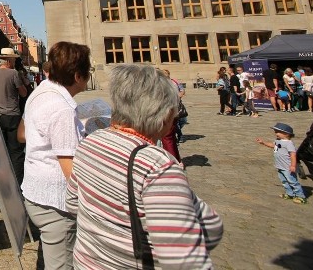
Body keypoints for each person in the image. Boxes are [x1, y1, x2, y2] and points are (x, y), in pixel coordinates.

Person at [67, 64, 223, 268]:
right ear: (165, 115)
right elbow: (189, 255)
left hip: (87, 262)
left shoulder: (91, 142)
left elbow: (72, 203)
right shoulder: (157, 166)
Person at [17, 41, 89, 270]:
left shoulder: (40, 93)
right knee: (62, 265)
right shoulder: (62, 108)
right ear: (79, 76)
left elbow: (23, 134)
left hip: (35, 191)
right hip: (55, 202)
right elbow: (70, 168)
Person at [0, 47, 28, 184]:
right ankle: (17, 182)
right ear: (8, 61)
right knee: (15, 151)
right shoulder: (13, 73)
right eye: (13, 60)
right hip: (12, 115)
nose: (14, 62)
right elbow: (23, 93)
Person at [256, 122, 307, 205]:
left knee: (292, 181)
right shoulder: (278, 141)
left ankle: (300, 196)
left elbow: (293, 155)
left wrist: (293, 165)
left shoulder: (289, 143)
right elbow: (273, 146)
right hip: (280, 165)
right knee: (284, 181)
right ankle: (290, 193)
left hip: (287, 167)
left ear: (286, 134)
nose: (275, 133)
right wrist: (263, 143)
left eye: (277, 132)